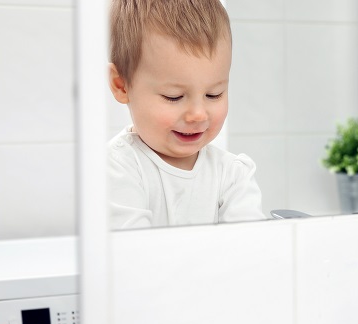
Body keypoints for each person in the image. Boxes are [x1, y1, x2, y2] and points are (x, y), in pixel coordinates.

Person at [107, 0, 265, 229]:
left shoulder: (232, 175)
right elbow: (136, 255)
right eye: (174, 97)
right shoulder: (118, 169)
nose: (198, 115)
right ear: (121, 86)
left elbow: (249, 249)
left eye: (214, 94)